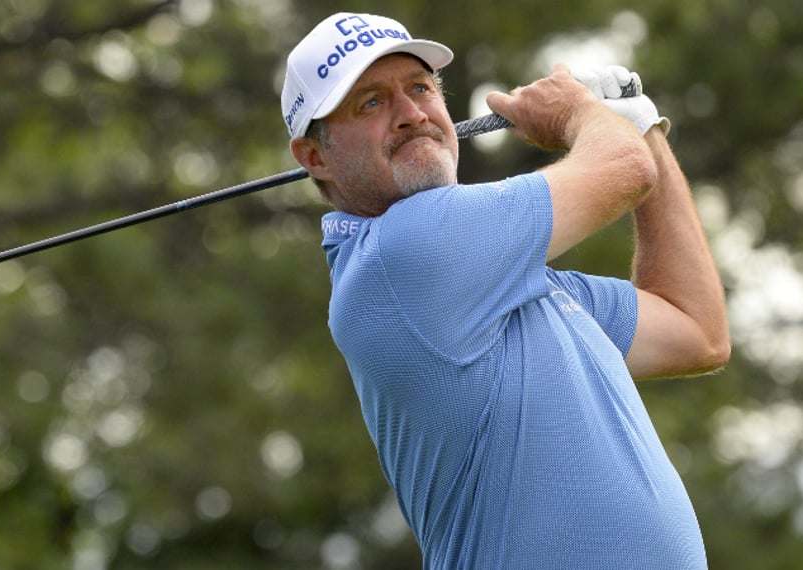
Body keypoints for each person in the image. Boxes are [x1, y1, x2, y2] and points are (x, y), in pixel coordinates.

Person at [281, 12, 730, 569]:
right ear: (315, 157)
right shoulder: (404, 250)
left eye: (420, 88)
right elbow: (623, 168)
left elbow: (696, 332)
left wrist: (643, 130)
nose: (411, 115)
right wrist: (581, 115)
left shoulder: (506, 284)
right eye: (371, 103)